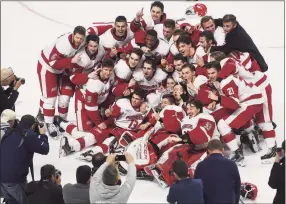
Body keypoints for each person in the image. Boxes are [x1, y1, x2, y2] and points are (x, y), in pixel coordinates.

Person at [37, 26, 86, 137]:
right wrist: (71, 61)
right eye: (77, 38)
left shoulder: (83, 40)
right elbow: (53, 62)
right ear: (73, 35)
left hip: (62, 68)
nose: (79, 41)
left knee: (64, 98)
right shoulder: (64, 45)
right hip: (48, 67)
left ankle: (58, 119)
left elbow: (95, 32)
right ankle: (49, 123)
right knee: (50, 97)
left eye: (81, 39)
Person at [0, 115, 49, 204]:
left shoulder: (10, 132)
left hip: (2, 179)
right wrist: (43, 134)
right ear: (33, 125)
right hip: (14, 180)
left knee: (12, 201)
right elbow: (45, 149)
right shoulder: (28, 136)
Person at [194, 139, 241, 204]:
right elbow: (237, 187)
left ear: (208, 150)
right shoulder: (232, 164)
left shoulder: (200, 166)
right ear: (222, 150)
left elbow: (197, 188)